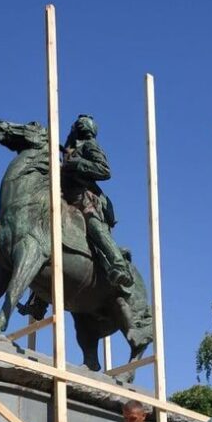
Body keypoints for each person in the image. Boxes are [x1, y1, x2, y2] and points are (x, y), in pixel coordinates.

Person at [61, 114, 133, 290]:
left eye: (84, 124)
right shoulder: (69, 149)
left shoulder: (89, 145)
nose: (80, 125)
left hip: (83, 197)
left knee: (93, 225)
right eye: (79, 124)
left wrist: (77, 163)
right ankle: (38, 299)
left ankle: (119, 264)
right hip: (65, 196)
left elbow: (104, 170)